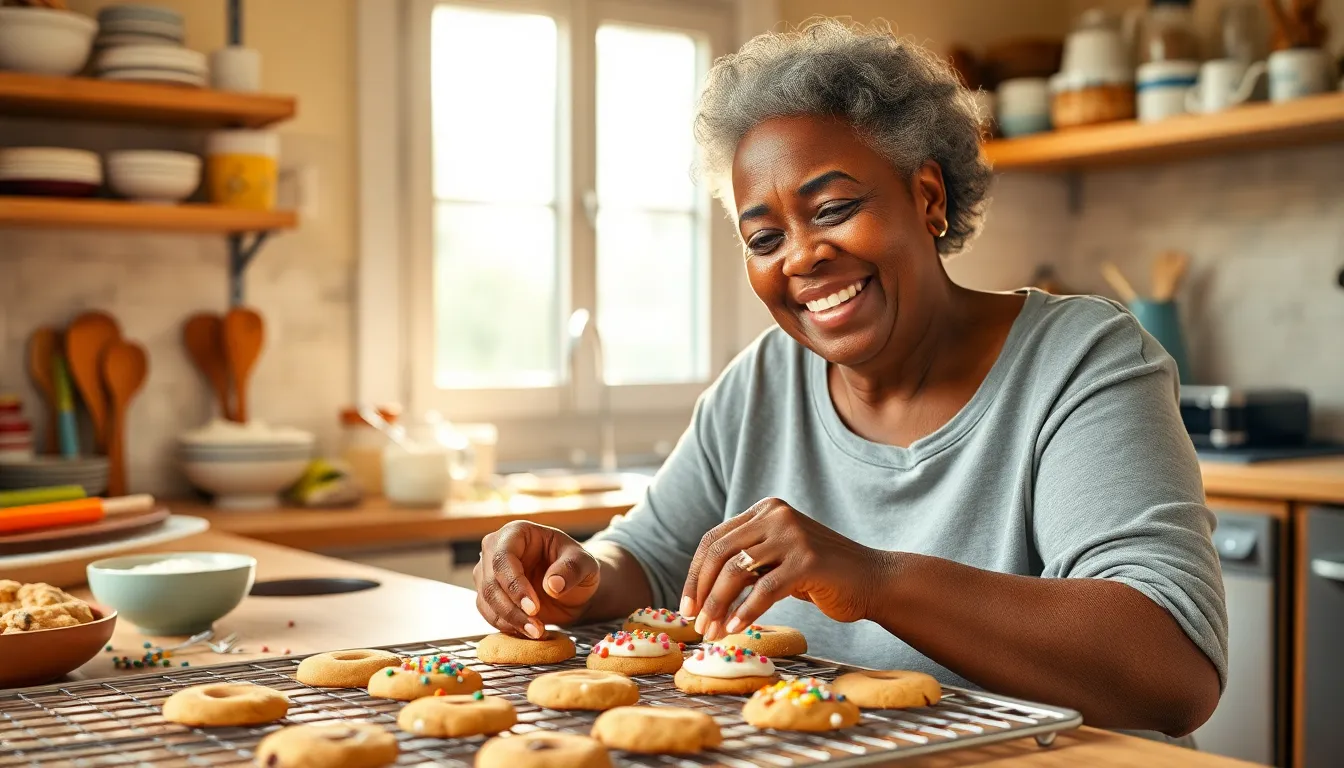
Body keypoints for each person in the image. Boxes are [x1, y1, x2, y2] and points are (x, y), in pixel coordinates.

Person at [472, 18, 1226, 739]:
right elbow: (647, 559)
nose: (800, 258)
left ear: (927, 198)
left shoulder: (1080, 360)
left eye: (834, 208)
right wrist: (572, 575)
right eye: (764, 237)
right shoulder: (764, 383)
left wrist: (875, 578)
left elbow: (1172, 672)